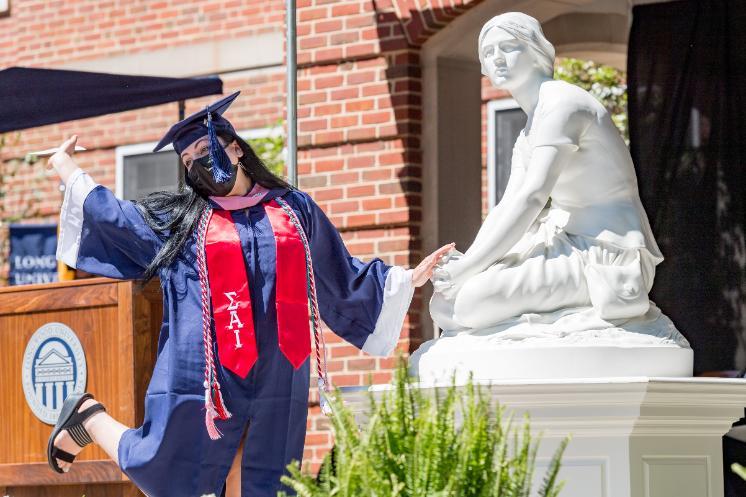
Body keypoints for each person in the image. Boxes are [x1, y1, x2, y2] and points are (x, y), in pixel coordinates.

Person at [45, 91, 453, 497]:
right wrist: (66, 166)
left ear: (236, 148)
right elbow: (113, 217)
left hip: (279, 369)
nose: (198, 165)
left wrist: (404, 280)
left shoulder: (293, 209)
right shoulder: (183, 221)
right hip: (205, 376)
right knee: (165, 469)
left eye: (205, 150)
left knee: (266, 481)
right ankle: (89, 417)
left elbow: (336, 269)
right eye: (188, 162)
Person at [430, 12, 665, 332]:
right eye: (488, 52)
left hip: (606, 253)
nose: (496, 58)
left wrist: (470, 267)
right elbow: (506, 206)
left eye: (508, 46)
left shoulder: (562, 103)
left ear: (536, 50)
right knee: (447, 302)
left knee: (467, 303)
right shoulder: (529, 130)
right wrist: (468, 265)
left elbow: (533, 197)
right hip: (563, 239)